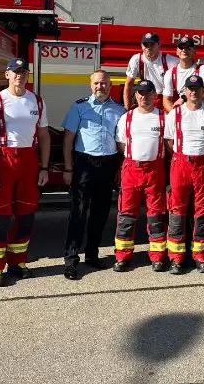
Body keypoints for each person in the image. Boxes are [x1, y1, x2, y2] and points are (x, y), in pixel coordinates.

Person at [0, 58, 50, 287]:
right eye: (16, 71)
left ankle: (18, 262)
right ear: (7, 74)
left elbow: (45, 136)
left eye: (24, 71)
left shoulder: (36, 101)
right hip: (3, 161)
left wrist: (44, 167)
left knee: (26, 215)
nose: (20, 75)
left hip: (29, 162)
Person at [60, 70, 125, 280]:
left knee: (100, 213)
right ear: (90, 85)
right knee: (78, 213)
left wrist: (118, 169)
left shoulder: (119, 110)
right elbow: (68, 139)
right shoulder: (79, 107)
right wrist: (68, 168)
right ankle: (71, 260)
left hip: (107, 164)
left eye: (104, 83)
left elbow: (122, 143)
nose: (100, 87)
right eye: (97, 83)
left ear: (110, 85)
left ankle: (92, 254)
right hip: (84, 164)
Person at [164, 75, 204, 274]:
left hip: (203, 165)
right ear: (185, 91)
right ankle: (176, 258)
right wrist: (183, 158)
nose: (193, 92)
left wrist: (202, 159)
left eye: (197, 88)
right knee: (177, 210)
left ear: (202, 91)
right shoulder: (175, 113)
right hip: (180, 163)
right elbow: (170, 142)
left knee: (202, 210)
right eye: (190, 88)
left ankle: (200, 255)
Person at [115, 80, 169, 273]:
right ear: (135, 95)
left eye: (148, 93)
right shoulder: (127, 118)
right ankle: (122, 257)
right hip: (132, 170)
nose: (144, 97)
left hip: (155, 171)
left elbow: (170, 144)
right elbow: (121, 145)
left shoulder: (164, 117)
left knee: (156, 216)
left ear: (155, 95)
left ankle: (157, 257)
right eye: (140, 93)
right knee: (126, 216)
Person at [123, 32, 179, 110]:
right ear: (142, 46)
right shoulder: (137, 60)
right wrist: (127, 107)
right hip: (148, 98)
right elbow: (128, 85)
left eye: (152, 44)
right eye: (146, 45)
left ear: (159, 45)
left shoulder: (170, 61)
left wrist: (198, 64)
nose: (149, 48)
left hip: (166, 98)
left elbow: (187, 68)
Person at [162, 36, 204, 112]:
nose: (184, 50)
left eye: (187, 48)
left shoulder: (202, 69)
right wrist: (175, 114)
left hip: (201, 111)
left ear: (194, 50)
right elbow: (166, 100)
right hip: (183, 114)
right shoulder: (170, 73)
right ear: (177, 51)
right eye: (181, 48)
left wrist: (184, 97)